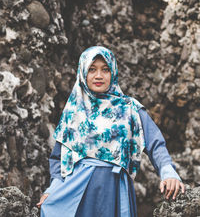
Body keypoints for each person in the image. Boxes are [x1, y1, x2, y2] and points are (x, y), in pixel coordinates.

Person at [37, 46, 185, 217]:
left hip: (114, 189)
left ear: (113, 72)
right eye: (92, 69)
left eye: (105, 69)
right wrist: (54, 188)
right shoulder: (73, 111)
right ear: (83, 71)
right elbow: (58, 157)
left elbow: (155, 144)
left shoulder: (130, 109)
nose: (98, 75)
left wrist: (168, 172)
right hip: (76, 190)